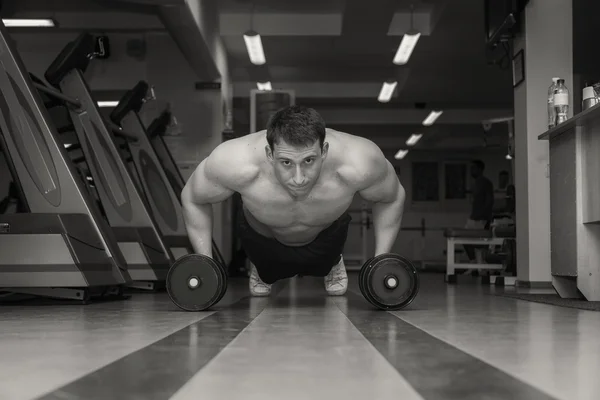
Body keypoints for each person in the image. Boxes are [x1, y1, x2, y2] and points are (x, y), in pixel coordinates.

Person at [181, 105, 406, 296]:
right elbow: (193, 197)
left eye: (309, 160)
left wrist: (381, 260)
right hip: (262, 240)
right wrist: (204, 262)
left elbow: (392, 197)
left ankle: (333, 264)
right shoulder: (235, 162)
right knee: (266, 264)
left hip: (326, 238)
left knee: (326, 256)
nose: (299, 178)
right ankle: (260, 268)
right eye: (286, 163)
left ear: (324, 150)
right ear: (270, 154)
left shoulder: (358, 162)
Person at [464, 160, 494, 262]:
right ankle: (474, 262)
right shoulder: (475, 183)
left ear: (480, 169)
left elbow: (489, 201)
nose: (471, 171)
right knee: (464, 239)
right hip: (473, 218)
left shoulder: (486, 183)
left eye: (474, 168)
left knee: (479, 244)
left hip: (481, 219)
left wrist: (484, 217)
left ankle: (480, 265)